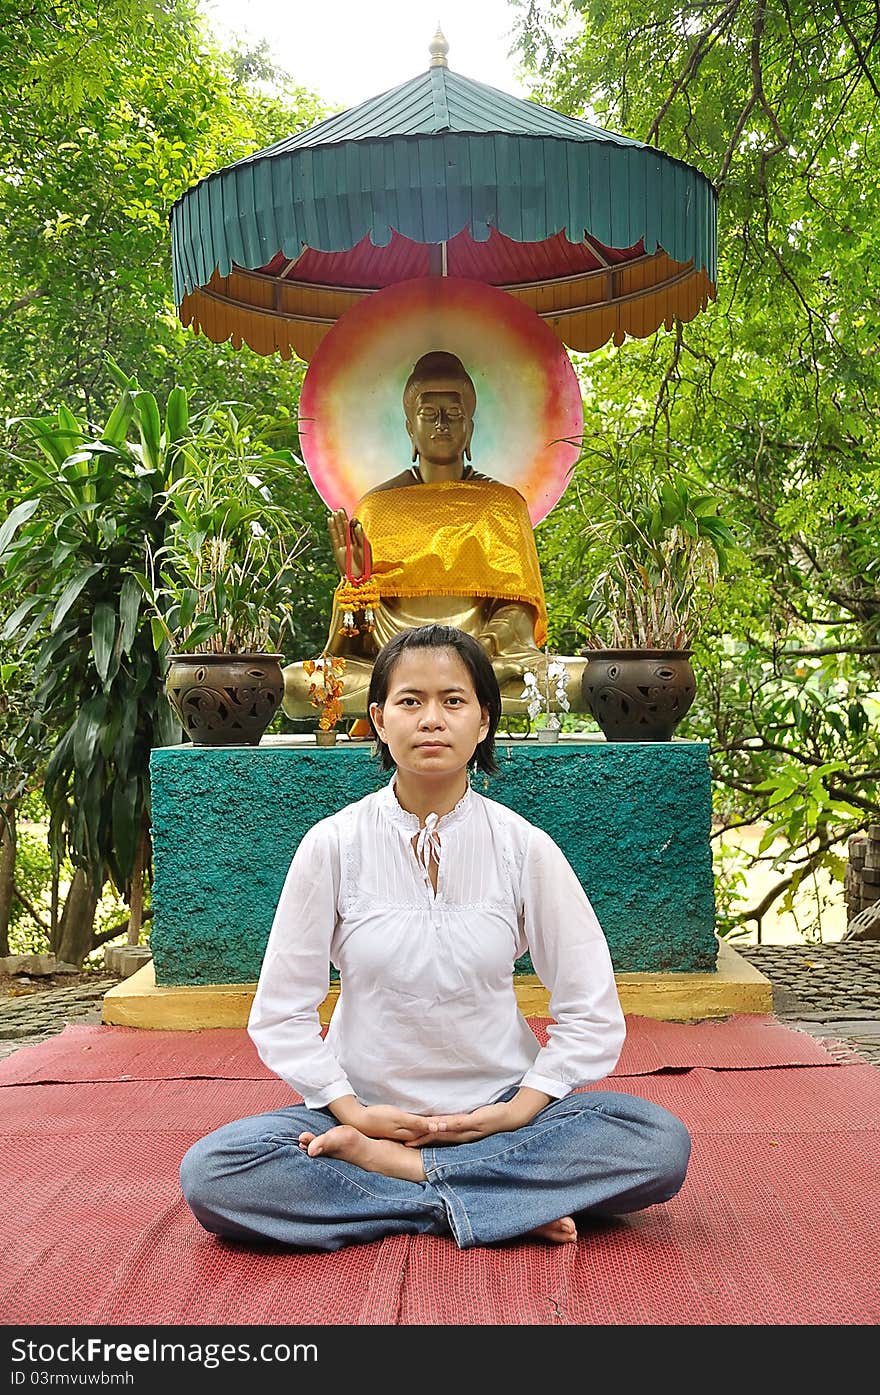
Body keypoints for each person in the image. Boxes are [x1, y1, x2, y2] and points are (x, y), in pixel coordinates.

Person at [180, 624, 691, 1251]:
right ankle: (493, 1202)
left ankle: (406, 1180)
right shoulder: (333, 845)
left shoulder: (524, 848)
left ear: (483, 722)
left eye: (453, 701)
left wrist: (518, 1110)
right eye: (409, 701)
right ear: (377, 718)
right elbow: (282, 1012)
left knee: (656, 1142)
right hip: (362, 1110)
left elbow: (589, 1010)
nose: (431, 720)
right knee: (216, 1171)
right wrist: (353, 1112)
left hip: (501, 1118)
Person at [281, 350, 589, 720]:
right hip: (394, 665)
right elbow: (357, 645)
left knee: (581, 680)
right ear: (410, 427)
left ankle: (413, 704)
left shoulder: (502, 505)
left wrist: (476, 652)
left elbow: (517, 613)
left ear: (470, 427)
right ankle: (439, 700)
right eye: (429, 415)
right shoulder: (377, 508)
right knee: (297, 685)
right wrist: (356, 586)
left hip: (483, 663)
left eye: (454, 414)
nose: (442, 424)